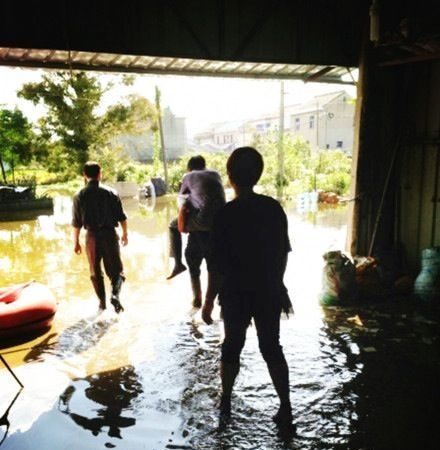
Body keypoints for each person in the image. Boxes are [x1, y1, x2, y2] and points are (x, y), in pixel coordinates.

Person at [202, 147, 294, 429]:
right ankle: (285, 407)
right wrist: (279, 287)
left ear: (230, 177)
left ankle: (226, 402)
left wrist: (207, 302)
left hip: (236, 292)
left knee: (232, 347)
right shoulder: (273, 208)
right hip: (268, 290)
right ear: (259, 174)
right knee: (271, 347)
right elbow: (282, 254)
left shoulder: (225, 214)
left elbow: (216, 266)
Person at [72, 161, 128, 313]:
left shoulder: (79, 195)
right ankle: (115, 295)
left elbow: (76, 222)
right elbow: (122, 217)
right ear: (100, 173)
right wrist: (125, 234)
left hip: (92, 237)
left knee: (95, 272)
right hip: (110, 234)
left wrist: (76, 242)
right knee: (117, 271)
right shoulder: (111, 192)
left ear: (85, 175)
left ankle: (102, 304)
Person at [167, 155, 225, 293]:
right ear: (204, 165)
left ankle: (177, 264)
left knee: (172, 225)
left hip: (203, 222)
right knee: (215, 268)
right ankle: (211, 301)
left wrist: (185, 217)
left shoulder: (189, 176)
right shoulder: (215, 174)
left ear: (189, 168)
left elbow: (181, 201)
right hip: (222, 221)